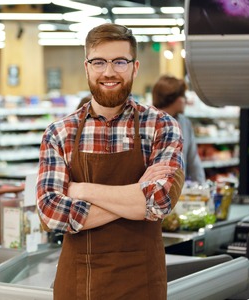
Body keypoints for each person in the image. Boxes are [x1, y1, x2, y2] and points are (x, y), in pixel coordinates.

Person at [36, 23, 185, 299]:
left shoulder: (162, 126)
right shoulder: (59, 133)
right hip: (78, 284)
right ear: (87, 67)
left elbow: (160, 201)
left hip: (142, 283)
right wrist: (138, 194)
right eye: (99, 62)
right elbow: (50, 214)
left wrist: (82, 190)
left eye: (119, 62)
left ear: (135, 67)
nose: (109, 72)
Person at [152, 75, 206, 183]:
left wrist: (202, 187)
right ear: (172, 98)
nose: (186, 100)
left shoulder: (185, 123)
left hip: (179, 192)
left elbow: (193, 161)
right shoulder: (148, 122)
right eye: (183, 96)